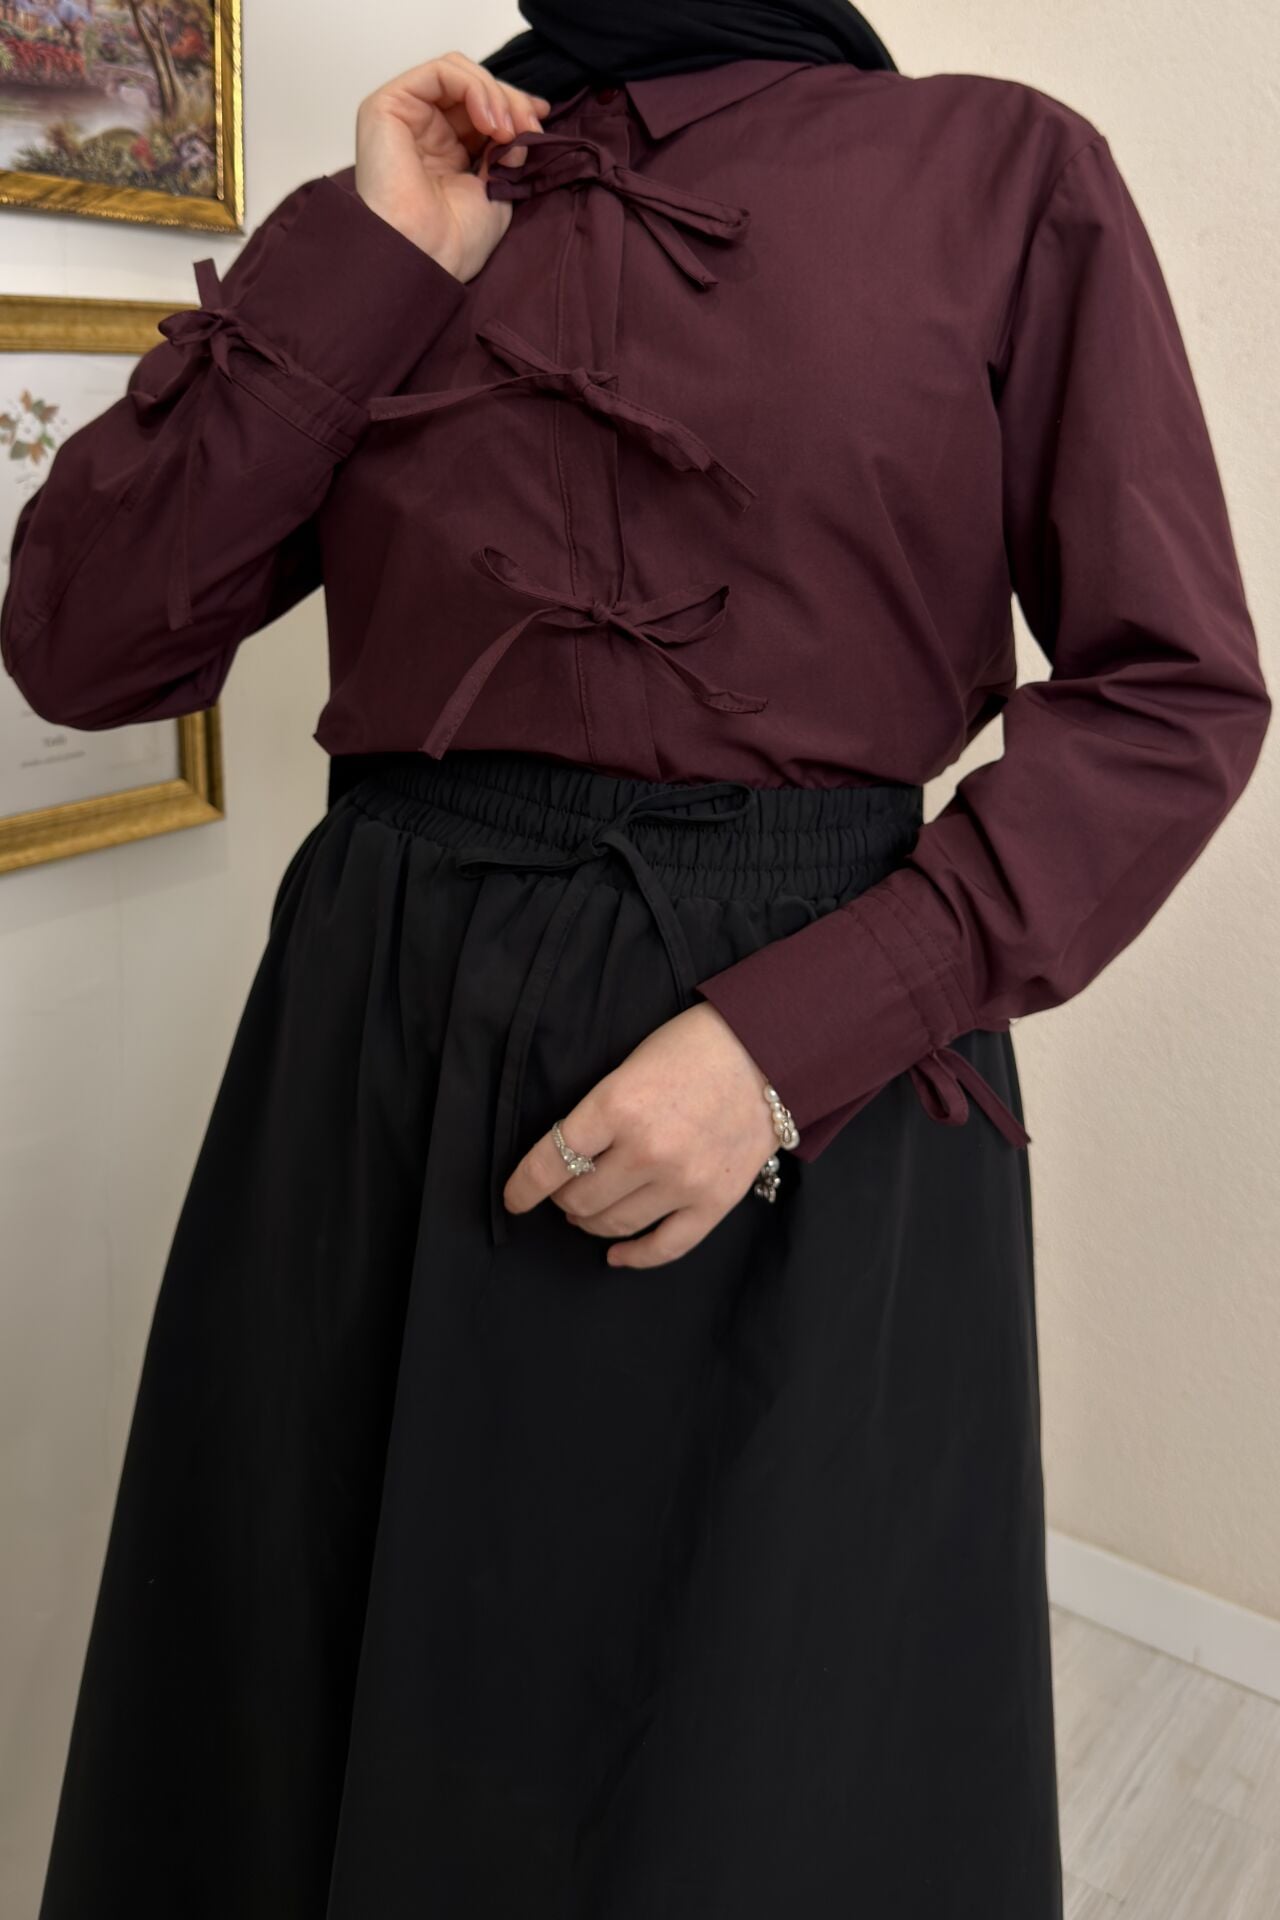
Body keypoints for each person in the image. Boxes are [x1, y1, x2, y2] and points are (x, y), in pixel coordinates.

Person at [2, 3, 1269, 1916]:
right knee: (287, 1735)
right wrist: (372, 253)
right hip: (370, 1074)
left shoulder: (1005, 170)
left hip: (808, 1110)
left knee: (754, 1789)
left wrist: (790, 1042)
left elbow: (1173, 695)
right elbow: (84, 647)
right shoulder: (431, 183)